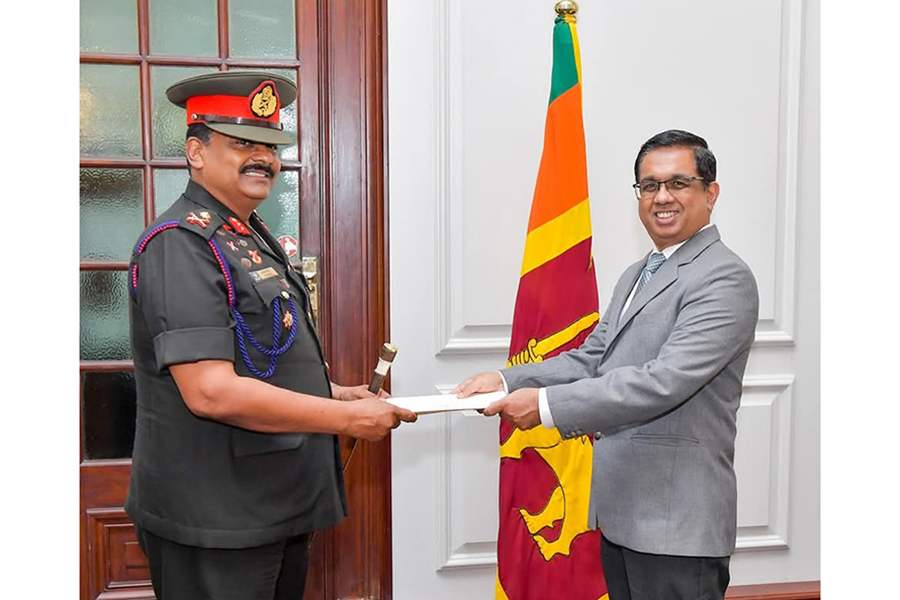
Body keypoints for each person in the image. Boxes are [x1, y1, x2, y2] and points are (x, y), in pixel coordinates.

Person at [126, 70, 417, 600]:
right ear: (196, 152)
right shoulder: (180, 245)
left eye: (271, 145)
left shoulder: (248, 236)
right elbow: (210, 390)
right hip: (218, 517)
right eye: (242, 143)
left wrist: (333, 394)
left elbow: (258, 361)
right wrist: (345, 418)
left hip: (270, 505)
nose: (263, 157)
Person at [454, 130, 758, 600]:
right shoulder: (638, 273)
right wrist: (505, 378)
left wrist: (547, 406)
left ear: (710, 193)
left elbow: (664, 382)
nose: (662, 198)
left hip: (676, 526)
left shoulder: (724, 278)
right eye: (649, 185)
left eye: (678, 183)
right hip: (621, 515)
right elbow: (593, 357)